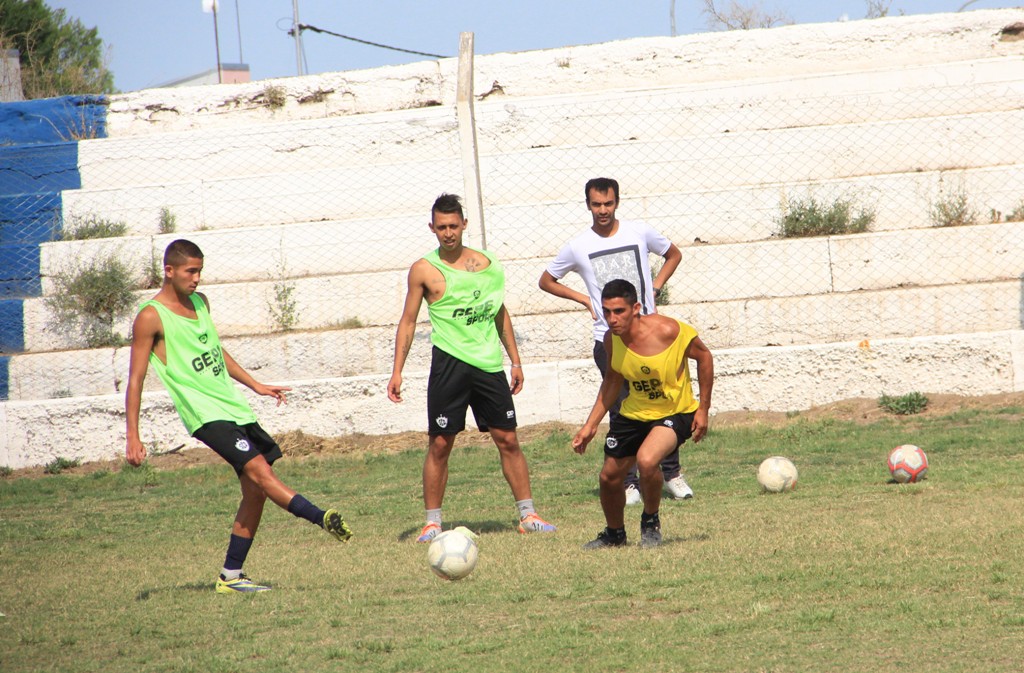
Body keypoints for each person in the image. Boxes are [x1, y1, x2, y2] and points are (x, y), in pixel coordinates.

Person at [125, 239, 352, 595]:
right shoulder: (151, 317)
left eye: (200, 271)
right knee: (261, 473)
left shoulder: (201, 303)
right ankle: (320, 517)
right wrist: (133, 436)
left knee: (255, 491)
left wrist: (255, 384)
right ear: (169, 271)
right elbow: (136, 379)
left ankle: (230, 576)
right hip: (205, 415)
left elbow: (215, 351)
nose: (197, 278)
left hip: (233, 407)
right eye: (190, 271)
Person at [388, 193, 556, 543]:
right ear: (432, 228)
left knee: (508, 439)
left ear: (464, 224)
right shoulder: (423, 269)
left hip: (488, 366)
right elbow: (408, 321)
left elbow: (499, 312)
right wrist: (397, 371)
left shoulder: (488, 264)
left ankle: (528, 515)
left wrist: (515, 360)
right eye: (441, 227)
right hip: (448, 366)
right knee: (440, 444)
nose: (448, 233)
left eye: (453, 225)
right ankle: (432, 523)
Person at [539, 176, 693, 505]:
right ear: (588, 205)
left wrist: (655, 287)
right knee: (622, 409)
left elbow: (673, 255)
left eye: (608, 203)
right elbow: (547, 280)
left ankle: (671, 474)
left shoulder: (639, 231)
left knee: (664, 403)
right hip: (609, 340)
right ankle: (629, 481)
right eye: (596, 204)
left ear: (617, 202)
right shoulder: (578, 246)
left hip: (649, 337)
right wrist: (584, 299)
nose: (603, 210)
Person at [571, 279, 713, 549]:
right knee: (608, 477)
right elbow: (613, 380)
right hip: (634, 413)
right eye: (607, 312)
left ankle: (650, 521)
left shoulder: (670, 331)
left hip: (675, 411)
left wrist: (703, 408)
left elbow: (705, 357)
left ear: (636, 308)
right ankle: (614, 534)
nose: (612, 319)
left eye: (619, 311)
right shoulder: (611, 340)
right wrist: (590, 425)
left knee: (647, 461)